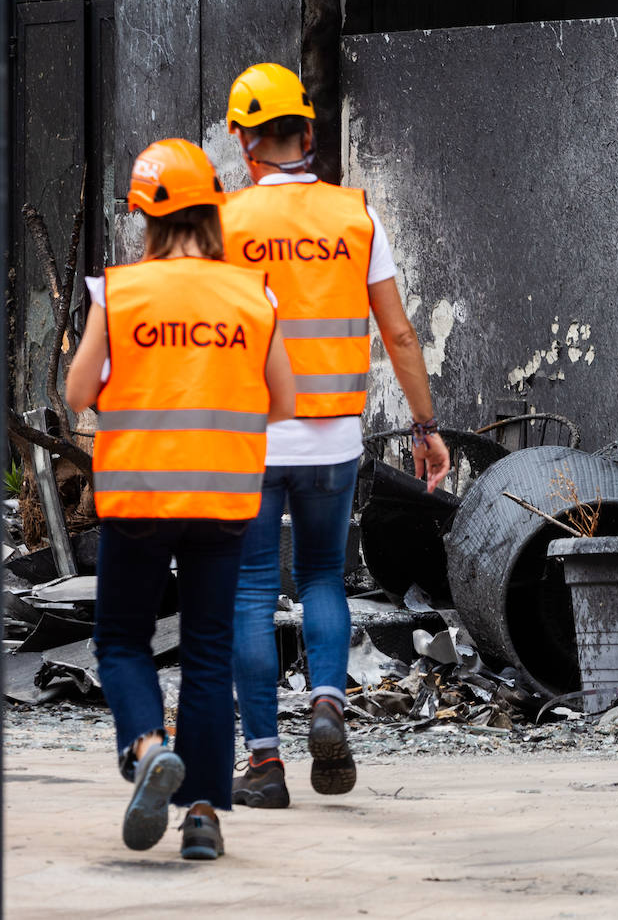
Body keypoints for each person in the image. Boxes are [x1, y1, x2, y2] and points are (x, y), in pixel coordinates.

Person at [221, 62, 450, 808]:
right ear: (310, 134)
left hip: (251, 438)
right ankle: (326, 701)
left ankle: (264, 764)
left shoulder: (226, 223)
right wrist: (424, 426)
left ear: (242, 141)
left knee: (253, 591)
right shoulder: (357, 216)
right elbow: (401, 336)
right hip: (333, 441)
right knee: (322, 575)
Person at [66, 138, 296, 859]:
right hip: (225, 501)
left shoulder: (122, 290)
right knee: (206, 654)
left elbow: (77, 393)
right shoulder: (251, 292)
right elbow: (283, 403)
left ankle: (145, 746)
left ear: (146, 216)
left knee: (122, 640)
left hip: (137, 497)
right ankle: (202, 817)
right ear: (211, 207)